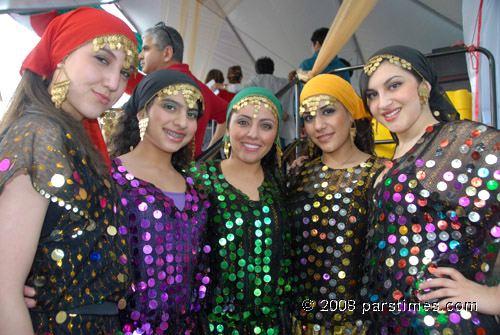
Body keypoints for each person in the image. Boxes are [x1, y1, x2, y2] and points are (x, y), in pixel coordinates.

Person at [0, 7, 138, 334]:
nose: (114, 82)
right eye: (102, 59)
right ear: (61, 55)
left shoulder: (69, 135)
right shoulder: (39, 135)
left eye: (125, 72)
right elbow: (4, 291)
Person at [358, 45, 500, 334]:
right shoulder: (389, 161)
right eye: (372, 95)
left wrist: (492, 297)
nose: (383, 102)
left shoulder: (469, 143)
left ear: (424, 84)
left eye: (394, 85)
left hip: (447, 325)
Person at [106, 69, 211, 334]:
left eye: (191, 114)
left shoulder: (195, 190)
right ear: (142, 112)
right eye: (169, 107)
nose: (182, 122)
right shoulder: (110, 178)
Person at [188, 87, 292, 334]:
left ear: (277, 135)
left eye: (266, 126)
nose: (253, 134)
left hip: (274, 326)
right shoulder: (198, 179)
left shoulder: (282, 184)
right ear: (227, 127)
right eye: (243, 122)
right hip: (212, 326)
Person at [287, 74, 384, 335]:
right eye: (308, 117)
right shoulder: (299, 175)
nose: (318, 125)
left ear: (351, 113)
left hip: (360, 324)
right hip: (301, 320)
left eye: (328, 111)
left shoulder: (381, 175)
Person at [139, 22, 228, 157]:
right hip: (188, 173)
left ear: (167, 53)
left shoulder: (156, 85)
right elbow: (229, 115)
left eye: (146, 49)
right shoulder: (203, 89)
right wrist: (208, 154)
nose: (140, 55)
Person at [241, 56, 296, 147]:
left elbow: (242, 91)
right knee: (280, 155)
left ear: (256, 69)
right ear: (273, 68)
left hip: (260, 126)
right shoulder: (285, 83)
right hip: (282, 126)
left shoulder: (254, 81)